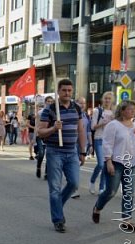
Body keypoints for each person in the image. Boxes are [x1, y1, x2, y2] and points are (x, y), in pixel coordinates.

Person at [37, 79, 86, 233]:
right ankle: (58, 220)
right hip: (54, 152)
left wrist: (83, 151)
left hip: (72, 152)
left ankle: (58, 205)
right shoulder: (50, 110)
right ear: (58, 91)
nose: (67, 93)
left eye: (69, 91)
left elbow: (81, 130)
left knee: (74, 183)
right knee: (55, 189)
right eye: (64, 90)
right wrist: (53, 128)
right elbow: (40, 131)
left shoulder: (76, 108)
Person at [92, 101, 135, 231]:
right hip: (116, 162)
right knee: (111, 191)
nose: (133, 112)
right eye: (130, 109)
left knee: (129, 193)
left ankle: (127, 220)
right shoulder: (113, 125)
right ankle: (98, 207)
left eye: (134, 110)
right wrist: (108, 162)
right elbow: (108, 144)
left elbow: (131, 144)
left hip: (131, 163)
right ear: (122, 111)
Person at [89, 91, 114, 195]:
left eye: (109, 98)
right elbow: (92, 127)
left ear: (112, 100)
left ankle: (101, 187)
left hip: (110, 141)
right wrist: (103, 124)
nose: (107, 100)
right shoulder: (97, 111)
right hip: (99, 139)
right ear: (103, 99)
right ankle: (92, 181)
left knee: (105, 165)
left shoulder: (114, 113)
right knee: (100, 164)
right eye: (106, 98)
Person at [71, 96, 91, 199]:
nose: (82, 105)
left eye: (84, 103)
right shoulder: (73, 114)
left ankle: (72, 185)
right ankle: (74, 189)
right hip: (73, 142)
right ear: (76, 103)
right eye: (80, 103)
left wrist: (90, 144)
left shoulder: (85, 116)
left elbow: (87, 131)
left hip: (82, 144)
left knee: (78, 165)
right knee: (74, 165)